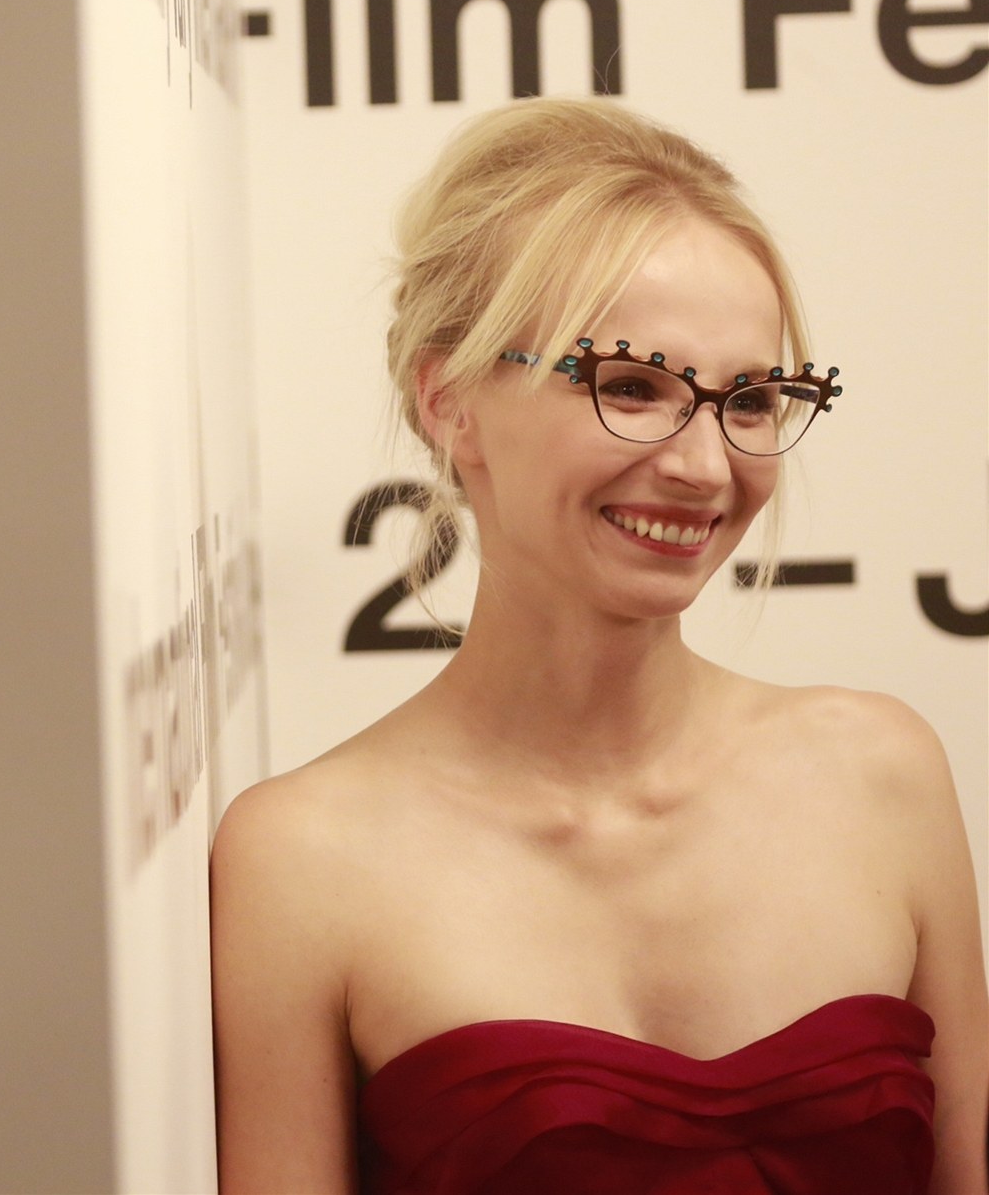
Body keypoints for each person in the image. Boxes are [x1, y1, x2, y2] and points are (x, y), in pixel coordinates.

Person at [211, 100, 987, 1195]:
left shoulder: (883, 775)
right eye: (631, 386)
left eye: (749, 400)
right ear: (449, 401)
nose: (704, 468)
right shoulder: (301, 861)